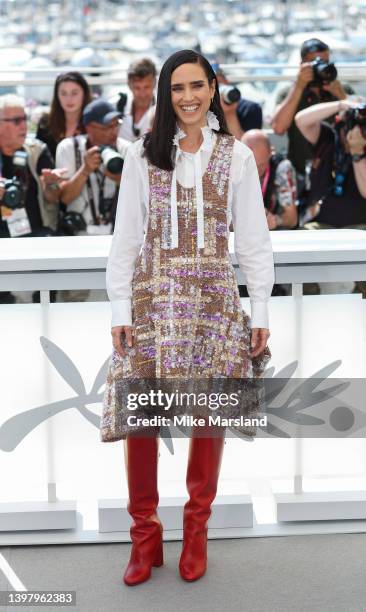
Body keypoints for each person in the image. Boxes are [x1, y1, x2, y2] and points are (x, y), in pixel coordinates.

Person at [100, 49, 274, 585]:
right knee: (142, 416)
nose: (189, 97)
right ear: (164, 95)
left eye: (197, 85)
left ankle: (196, 529)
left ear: (213, 87)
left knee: (208, 414)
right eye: (178, 88)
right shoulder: (139, 156)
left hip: (214, 300)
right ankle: (144, 534)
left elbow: (252, 240)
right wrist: (120, 306)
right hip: (151, 298)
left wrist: (260, 307)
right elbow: (125, 238)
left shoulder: (236, 155)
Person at [295, 98, 366, 296]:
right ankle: (309, 302)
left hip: (359, 228)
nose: (352, 132)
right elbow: (301, 120)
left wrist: (358, 153)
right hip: (320, 224)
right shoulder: (328, 138)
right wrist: (341, 104)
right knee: (297, 246)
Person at [0, 94, 64, 303]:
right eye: (16, 120)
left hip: (35, 234)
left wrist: (52, 183)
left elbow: (53, 197)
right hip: (3, 239)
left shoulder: (36, 149)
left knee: (50, 263)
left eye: (24, 119)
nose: (23, 126)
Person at [271, 38, 353, 189]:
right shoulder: (290, 93)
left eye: (325, 62)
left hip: (338, 170)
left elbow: (358, 125)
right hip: (301, 173)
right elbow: (278, 128)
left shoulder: (342, 89)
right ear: (302, 64)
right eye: (314, 63)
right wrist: (299, 85)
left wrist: (341, 95)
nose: (321, 67)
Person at [56, 98, 131, 236]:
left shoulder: (128, 149)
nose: (114, 131)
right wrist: (85, 170)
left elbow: (142, 196)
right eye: (107, 127)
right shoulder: (68, 148)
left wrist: (121, 180)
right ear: (88, 127)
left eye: (117, 124)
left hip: (117, 234)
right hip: (78, 235)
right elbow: (64, 198)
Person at [241, 129, 298, 230]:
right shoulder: (230, 167)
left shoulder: (282, 168)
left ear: (271, 153)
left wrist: (275, 221)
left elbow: (292, 219)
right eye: (251, 166)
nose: (257, 172)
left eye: (262, 165)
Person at [36, 71, 92, 160]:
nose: (69, 99)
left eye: (74, 93)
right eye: (63, 93)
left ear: (84, 94)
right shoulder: (46, 123)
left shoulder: (93, 122)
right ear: (57, 96)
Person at [214, 64, 262, 140]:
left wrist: (230, 114)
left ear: (226, 83)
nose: (216, 88)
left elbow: (247, 149)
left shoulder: (250, 109)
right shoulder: (197, 109)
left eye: (218, 84)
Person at [118, 57, 157, 142]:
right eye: (137, 88)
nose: (142, 94)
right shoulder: (116, 105)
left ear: (155, 83)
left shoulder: (164, 109)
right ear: (129, 85)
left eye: (147, 87)